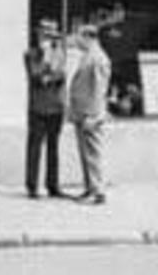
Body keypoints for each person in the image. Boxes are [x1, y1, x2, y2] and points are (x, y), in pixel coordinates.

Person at [65, 20, 111, 205]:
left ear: (88, 37)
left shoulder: (98, 58)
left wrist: (96, 116)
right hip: (82, 112)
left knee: (93, 153)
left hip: (90, 114)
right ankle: (89, 188)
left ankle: (98, 191)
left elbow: (100, 89)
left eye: (79, 37)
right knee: (85, 154)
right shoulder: (88, 55)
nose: (77, 41)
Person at [24, 18, 67, 200]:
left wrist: (50, 75)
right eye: (45, 34)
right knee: (34, 147)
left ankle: (53, 185)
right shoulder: (31, 54)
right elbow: (36, 76)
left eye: (51, 34)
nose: (48, 38)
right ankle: (32, 185)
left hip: (56, 106)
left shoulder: (60, 53)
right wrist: (46, 60)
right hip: (38, 107)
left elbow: (62, 76)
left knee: (53, 147)